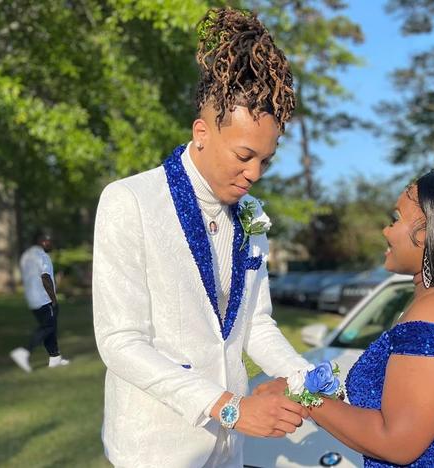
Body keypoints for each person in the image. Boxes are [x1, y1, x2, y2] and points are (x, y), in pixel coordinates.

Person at [92, 8, 310, 468]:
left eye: (265, 162)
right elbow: (121, 342)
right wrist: (229, 407)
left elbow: (256, 323)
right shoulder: (129, 200)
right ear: (202, 133)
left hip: (230, 447)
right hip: (156, 448)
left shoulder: (252, 216)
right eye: (244, 155)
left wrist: (304, 378)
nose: (254, 175)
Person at [257, 165, 434, 467]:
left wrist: (301, 394)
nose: (386, 231)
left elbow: (396, 442)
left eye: (396, 219)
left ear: (428, 232)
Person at [10, 231, 70, 372]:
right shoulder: (42, 256)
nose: (51, 244)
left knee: (49, 326)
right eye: (48, 241)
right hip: (44, 298)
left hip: (32, 298)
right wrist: (53, 298)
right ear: (41, 241)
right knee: (48, 327)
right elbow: (45, 278)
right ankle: (24, 352)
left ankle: (55, 357)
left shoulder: (26, 255)